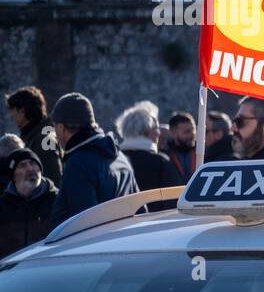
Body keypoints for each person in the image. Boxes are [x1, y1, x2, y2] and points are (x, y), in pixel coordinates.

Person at [48, 93, 138, 227]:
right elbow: (140, 211)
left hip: (86, 247)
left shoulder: (78, 163)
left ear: (61, 128)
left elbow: (86, 225)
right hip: (121, 243)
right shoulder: (120, 157)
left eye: (54, 128)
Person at [0, 148, 59, 257]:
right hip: (12, 271)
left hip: (50, 268)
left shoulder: (57, 201)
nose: (30, 169)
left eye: (33, 163)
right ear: (13, 176)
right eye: (22, 165)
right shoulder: (3, 207)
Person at [115, 101, 184, 192]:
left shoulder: (114, 160)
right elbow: (174, 197)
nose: (159, 133)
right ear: (147, 131)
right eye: (156, 128)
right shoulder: (161, 163)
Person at [6, 85, 62, 187]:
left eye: (13, 111)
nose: (11, 116)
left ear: (22, 111)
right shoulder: (35, 135)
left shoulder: (44, 139)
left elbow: (53, 178)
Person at [165, 111, 197, 179]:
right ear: (173, 133)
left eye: (193, 130)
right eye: (187, 131)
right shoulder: (165, 157)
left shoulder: (203, 153)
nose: (192, 134)